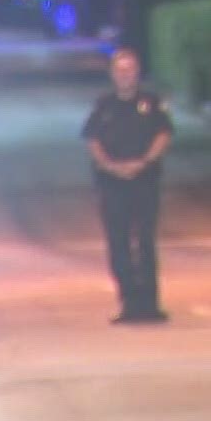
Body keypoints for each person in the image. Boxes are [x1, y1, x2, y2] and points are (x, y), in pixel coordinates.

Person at [81, 48, 173, 324]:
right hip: (112, 183)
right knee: (118, 243)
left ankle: (150, 303)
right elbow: (93, 140)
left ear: (137, 73)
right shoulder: (103, 106)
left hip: (144, 180)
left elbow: (163, 134)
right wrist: (110, 166)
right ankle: (129, 302)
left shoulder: (151, 103)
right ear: (113, 74)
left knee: (145, 241)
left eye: (130, 70)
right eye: (120, 70)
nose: (125, 76)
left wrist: (144, 162)